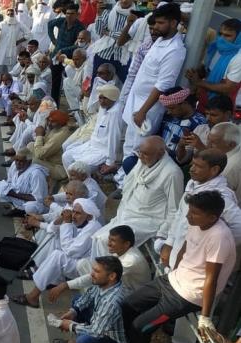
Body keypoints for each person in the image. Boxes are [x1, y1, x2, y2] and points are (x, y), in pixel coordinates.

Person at [120, 191, 237, 343]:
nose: (188, 216)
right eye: (189, 211)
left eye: (194, 213)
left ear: (212, 217)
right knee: (127, 304)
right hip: (173, 280)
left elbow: (211, 279)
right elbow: (185, 248)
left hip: (188, 295)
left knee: (141, 325)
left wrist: (205, 317)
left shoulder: (219, 237)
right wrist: (174, 271)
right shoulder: (196, 223)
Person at [90, 137, 183, 258]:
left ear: (160, 153)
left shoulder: (172, 173)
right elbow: (130, 186)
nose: (140, 156)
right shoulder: (143, 161)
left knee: (105, 241)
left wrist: (163, 233)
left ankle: (111, 274)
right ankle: (99, 273)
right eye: (140, 152)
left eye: (145, 154)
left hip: (147, 220)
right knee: (96, 238)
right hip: (128, 213)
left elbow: (174, 209)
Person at [121, 3, 186, 159]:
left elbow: (163, 85)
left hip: (148, 109)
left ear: (173, 23)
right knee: (128, 145)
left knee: (139, 150)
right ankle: (122, 179)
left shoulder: (175, 50)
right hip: (135, 102)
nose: (155, 26)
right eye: (155, 22)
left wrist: (143, 111)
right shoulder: (160, 40)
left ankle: (130, 180)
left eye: (160, 23)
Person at [52, 256, 128, 343]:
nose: (92, 274)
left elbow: (96, 332)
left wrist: (71, 325)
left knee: (85, 340)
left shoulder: (112, 301)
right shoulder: (104, 285)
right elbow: (87, 298)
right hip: (103, 328)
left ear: (111, 276)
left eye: (97, 271)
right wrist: (72, 312)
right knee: (77, 301)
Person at [13, 199, 102, 308]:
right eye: (73, 211)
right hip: (77, 258)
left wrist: (67, 223)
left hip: (85, 267)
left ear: (89, 216)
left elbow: (71, 251)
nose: (74, 216)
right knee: (55, 237)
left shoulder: (93, 227)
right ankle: (51, 279)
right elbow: (51, 229)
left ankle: (33, 297)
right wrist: (62, 217)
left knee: (58, 256)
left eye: (78, 213)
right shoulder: (81, 221)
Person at [48, 225, 150, 303]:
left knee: (100, 278)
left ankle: (93, 303)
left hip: (132, 295)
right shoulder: (121, 250)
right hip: (121, 285)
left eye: (113, 241)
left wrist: (65, 285)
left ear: (126, 244)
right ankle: (91, 300)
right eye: (109, 239)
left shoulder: (131, 260)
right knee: (83, 264)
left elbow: (101, 275)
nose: (108, 244)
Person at [61, 84, 124, 176]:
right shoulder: (104, 108)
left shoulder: (116, 113)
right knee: (66, 156)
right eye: (100, 98)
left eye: (105, 98)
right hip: (91, 145)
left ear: (113, 98)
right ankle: (75, 182)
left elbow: (113, 138)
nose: (101, 101)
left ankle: (81, 185)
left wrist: (109, 162)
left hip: (102, 152)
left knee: (75, 168)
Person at [0, 147, 49, 216]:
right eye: (16, 160)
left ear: (29, 161)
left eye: (21, 161)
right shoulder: (14, 165)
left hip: (31, 202)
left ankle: (22, 211)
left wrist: (12, 193)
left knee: (30, 207)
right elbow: (9, 181)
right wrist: (7, 188)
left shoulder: (36, 173)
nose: (18, 163)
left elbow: (38, 198)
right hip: (16, 196)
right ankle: (17, 208)